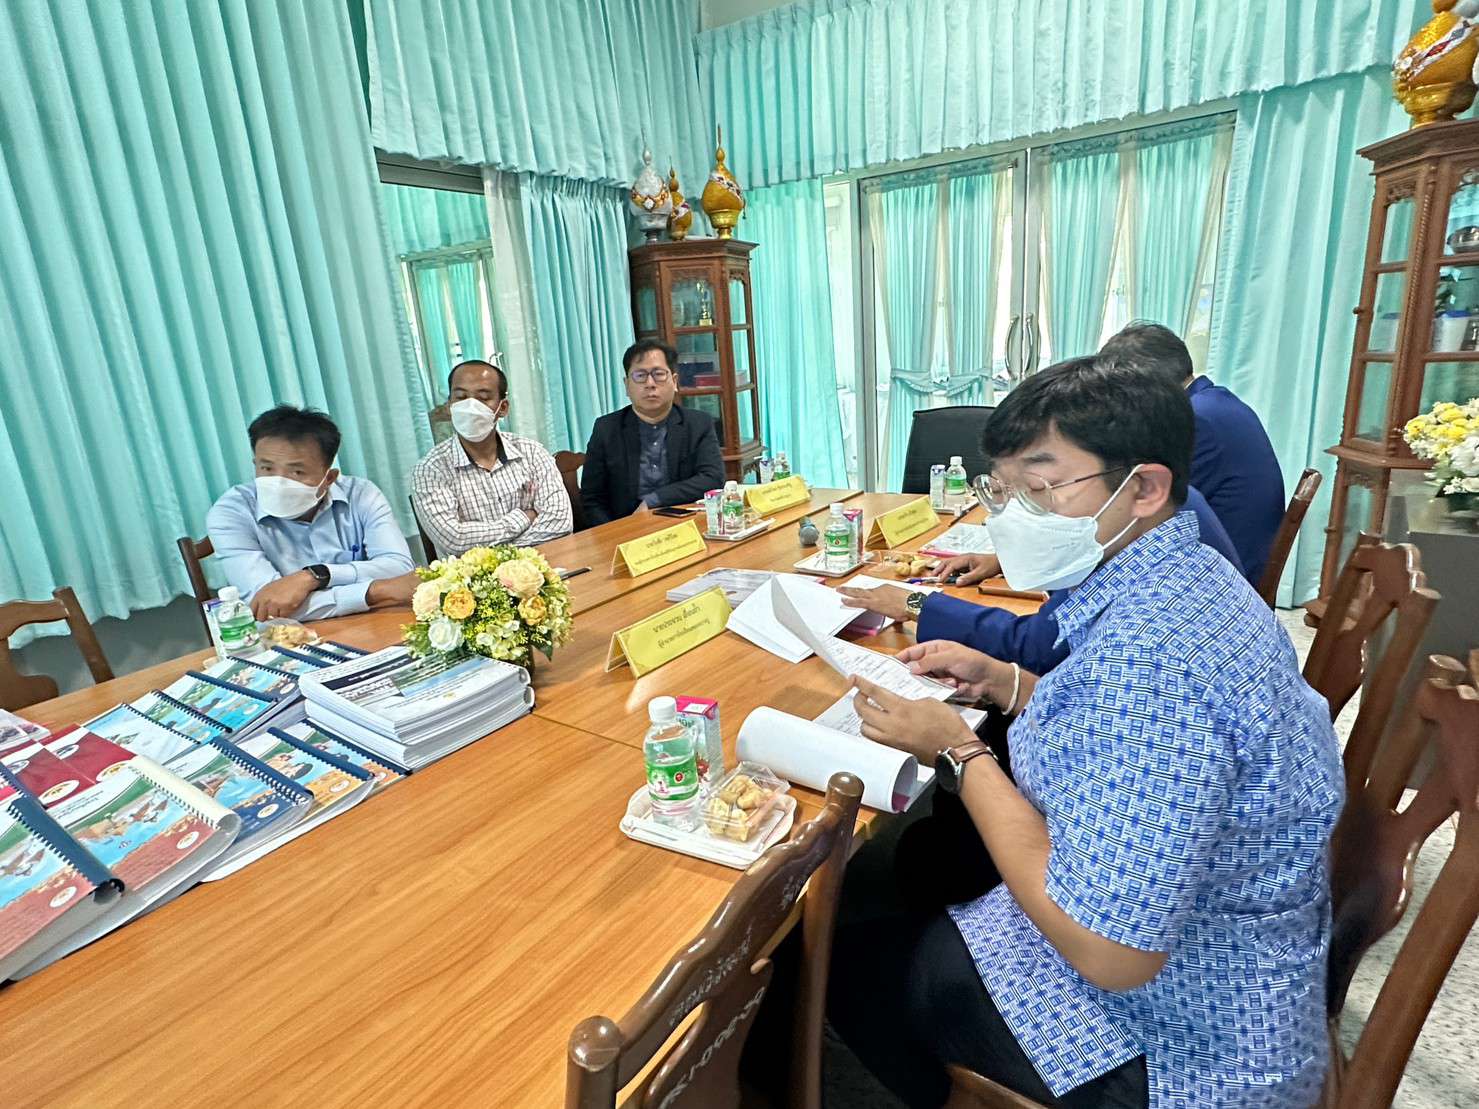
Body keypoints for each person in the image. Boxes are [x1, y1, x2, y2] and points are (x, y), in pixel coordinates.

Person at [825, 357, 1343, 1107]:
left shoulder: (1154, 659)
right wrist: (1008, 683)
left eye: (1039, 490)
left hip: (1176, 1034)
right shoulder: (1182, 573)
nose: (1013, 517)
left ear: (1144, 487)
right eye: (1003, 491)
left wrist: (959, 750)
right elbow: (1123, 733)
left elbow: (1111, 952)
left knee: (835, 965)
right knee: (922, 877)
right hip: (1223, 950)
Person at [840, 483, 1241, 676]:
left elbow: (1036, 644)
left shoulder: (1144, 612)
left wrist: (915, 603)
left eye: (1039, 487)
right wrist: (1002, 560)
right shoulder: (1165, 507)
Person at [1100, 321, 1285, 584]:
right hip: (1235, 553)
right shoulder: (1213, 402)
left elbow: (1150, 508)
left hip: (1224, 575)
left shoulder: (1197, 419)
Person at [207, 405, 417, 621]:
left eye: (297, 472)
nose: (279, 483)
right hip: (286, 635)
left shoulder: (361, 494)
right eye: (267, 468)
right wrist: (375, 591)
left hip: (371, 622)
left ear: (329, 478)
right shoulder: (230, 513)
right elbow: (267, 606)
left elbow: (399, 568)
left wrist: (315, 576)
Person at [410, 359, 572, 556]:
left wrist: (495, 553)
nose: (470, 407)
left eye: (483, 398)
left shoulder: (531, 452)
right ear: (449, 406)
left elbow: (560, 522)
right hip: (472, 575)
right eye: (461, 397)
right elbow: (455, 540)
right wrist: (524, 517)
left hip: (544, 565)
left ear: (502, 408)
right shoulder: (430, 470)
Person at [580, 340, 726, 525]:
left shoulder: (698, 424)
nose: (650, 384)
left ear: (674, 382)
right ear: (627, 385)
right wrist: (613, 533)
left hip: (686, 526)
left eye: (658, 374)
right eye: (640, 376)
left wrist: (654, 500)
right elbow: (592, 498)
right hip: (626, 530)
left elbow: (712, 478)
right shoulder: (606, 429)